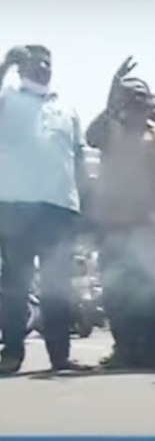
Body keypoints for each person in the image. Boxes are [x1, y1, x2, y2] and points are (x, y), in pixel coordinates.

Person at [86, 57, 155, 369]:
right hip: (114, 228)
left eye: (141, 96)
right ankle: (125, 350)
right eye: (128, 96)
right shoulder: (109, 132)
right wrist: (112, 89)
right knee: (117, 293)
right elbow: (90, 136)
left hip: (151, 230)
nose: (135, 101)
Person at [0, 45, 90, 374]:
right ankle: (11, 353)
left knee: (58, 286)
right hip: (15, 208)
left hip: (60, 208)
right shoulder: (8, 99)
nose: (43, 67)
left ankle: (60, 357)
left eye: (48, 62)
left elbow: (78, 157)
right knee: (16, 285)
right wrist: (5, 65)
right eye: (36, 62)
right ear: (22, 68)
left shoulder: (66, 108)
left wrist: (84, 204)